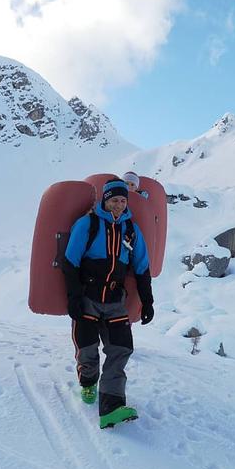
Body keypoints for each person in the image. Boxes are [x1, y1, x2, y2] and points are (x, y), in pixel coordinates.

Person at [61, 177, 154, 429]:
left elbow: (142, 267)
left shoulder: (131, 230)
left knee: (120, 349)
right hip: (88, 298)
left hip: (115, 301)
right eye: (114, 200)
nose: (119, 205)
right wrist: (74, 298)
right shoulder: (88, 225)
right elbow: (71, 262)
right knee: (88, 349)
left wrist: (147, 302)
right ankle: (88, 382)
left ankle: (111, 406)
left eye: (123, 200)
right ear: (105, 200)